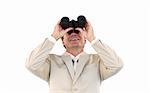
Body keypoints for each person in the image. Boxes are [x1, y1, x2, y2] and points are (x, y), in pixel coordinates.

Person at [26, 18, 123, 93]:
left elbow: (116, 65)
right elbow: (31, 64)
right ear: (62, 41)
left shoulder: (97, 61)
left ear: (85, 39)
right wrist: (54, 37)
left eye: (77, 31)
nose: (73, 34)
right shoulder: (51, 61)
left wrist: (92, 39)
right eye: (68, 32)